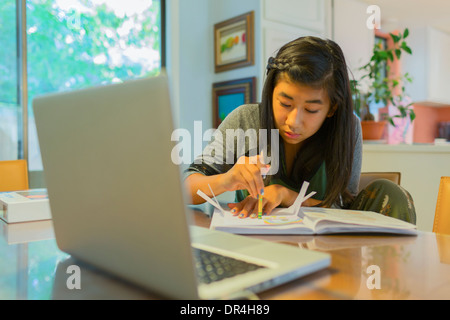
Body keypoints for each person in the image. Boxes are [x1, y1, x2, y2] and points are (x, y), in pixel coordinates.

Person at [183, 36, 416, 224]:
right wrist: (227, 179)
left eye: (312, 109)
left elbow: (342, 209)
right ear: (271, 92)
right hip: (258, 250)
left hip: (328, 256)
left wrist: (288, 196)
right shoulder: (245, 119)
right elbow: (185, 187)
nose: (294, 121)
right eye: (285, 104)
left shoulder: (347, 129)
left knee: (391, 193)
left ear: (332, 108)